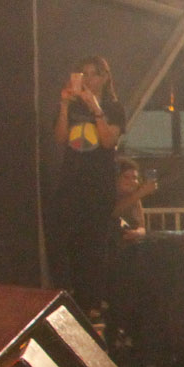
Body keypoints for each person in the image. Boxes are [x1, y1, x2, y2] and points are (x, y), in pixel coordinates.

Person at [49, 55, 126, 316]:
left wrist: (95, 108)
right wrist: (63, 105)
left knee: (94, 244)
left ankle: (93, 303)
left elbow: (108, 141)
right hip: (71, 182)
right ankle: (71, 300)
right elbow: (60, 138)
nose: (89, 79)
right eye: (84, 74)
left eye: (94, 74)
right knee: (68, 242)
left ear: (105, 78)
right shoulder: (72, 106)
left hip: (99, 184)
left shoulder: (114, 108)